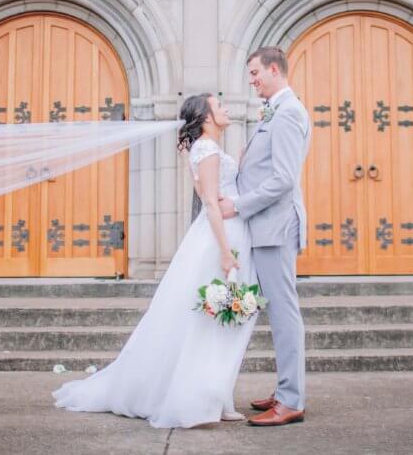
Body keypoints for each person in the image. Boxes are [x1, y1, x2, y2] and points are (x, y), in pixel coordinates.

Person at [52, 93, 255, 429]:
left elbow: (219, 189)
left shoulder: (206, 148)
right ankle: (203, 397)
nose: (226, 108)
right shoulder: (206, 149)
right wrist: (224, 252)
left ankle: (216, 395)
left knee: (215, 322)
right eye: (219, 105)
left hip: (222, 236)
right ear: (206, 117)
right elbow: (210, 204)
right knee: (210, 323)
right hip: (218, 241)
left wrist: (241, 161)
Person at [219, 45, 312, 427]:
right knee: (276, 310)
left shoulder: (288, 113)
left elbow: (283, 180)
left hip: (274, 227)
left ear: (275, 70)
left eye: (256, 73)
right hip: (265, 227)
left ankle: (291, 400)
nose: (252, 80)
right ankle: (286, 389)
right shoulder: (275, 111)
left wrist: (238, 205)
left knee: (284, 312)